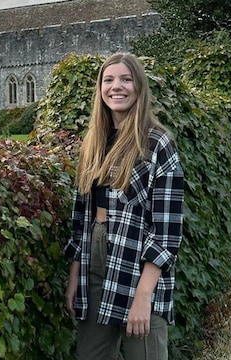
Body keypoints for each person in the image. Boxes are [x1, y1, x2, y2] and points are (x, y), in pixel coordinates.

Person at [63, 53, 184, 359]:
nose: (117, 87)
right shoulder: (93, 141)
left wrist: (144, 297)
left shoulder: (157, 143)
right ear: (100, 89)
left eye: (126, 79)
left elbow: (167, 232)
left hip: (139, 266)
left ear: (139, 87)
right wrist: (75, 275)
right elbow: (82, 216)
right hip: (95, 261)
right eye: (109, 80)